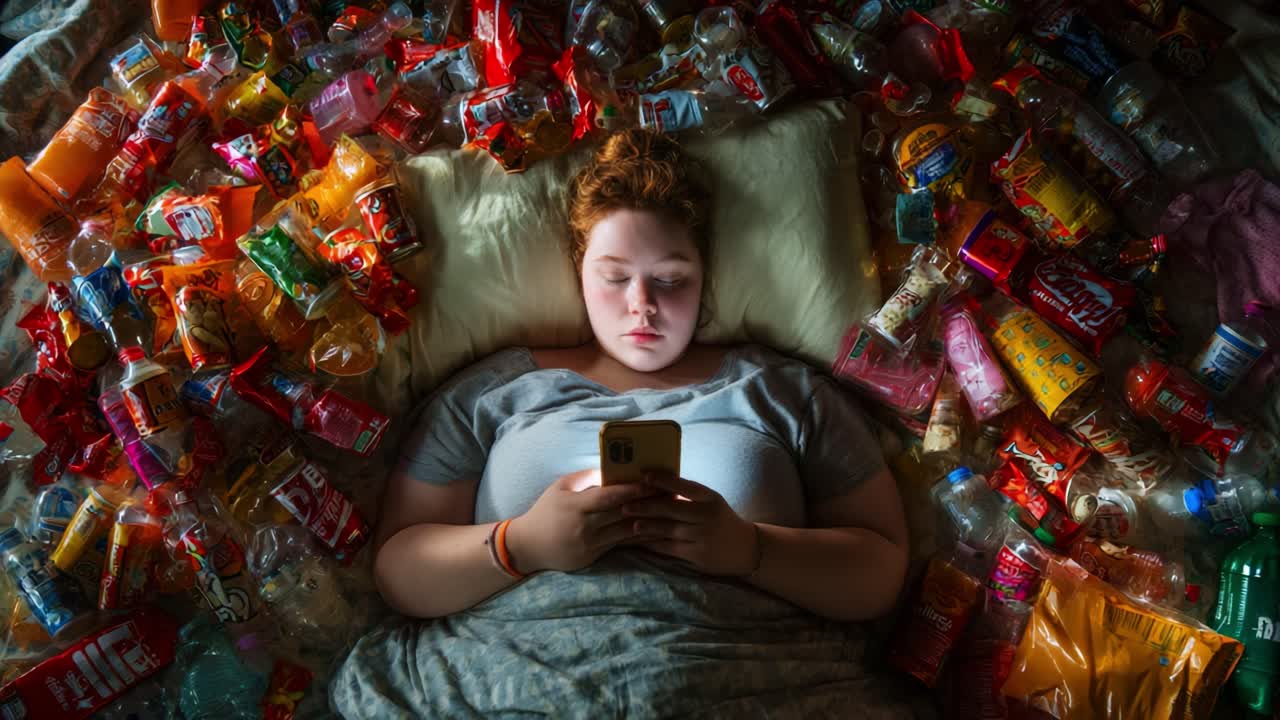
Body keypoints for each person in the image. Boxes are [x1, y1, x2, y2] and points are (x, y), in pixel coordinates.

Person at [331, 129, 914, 718]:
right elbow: (399, 570)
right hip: (515, 672)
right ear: (578, 270)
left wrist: (749, 549)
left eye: (671, 278)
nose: (642, 304)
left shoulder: (785, 393)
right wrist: (522, 545)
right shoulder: (489, 394)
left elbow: (882, 568)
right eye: (614, 277)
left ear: (704, 276)